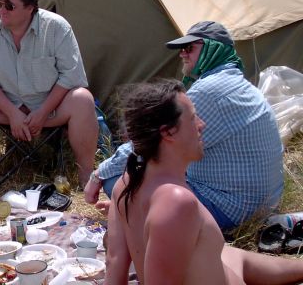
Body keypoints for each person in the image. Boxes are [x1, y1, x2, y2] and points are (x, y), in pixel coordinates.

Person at [85, 21, 283, 230]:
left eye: (189, 48)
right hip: (259, 204)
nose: (182, 54)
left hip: (232, 208)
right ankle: (138, 210)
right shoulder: (234, 83)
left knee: (117, 180)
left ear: (214, 49)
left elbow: (150, 143)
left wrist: (98, 174)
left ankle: (139, 214)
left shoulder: (209, 90)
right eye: (182, 49)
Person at [105, 80, 303, 285]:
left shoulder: (126, 184)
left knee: (231, 254)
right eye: (192, 118)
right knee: (225, 253)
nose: (202, 124)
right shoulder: (176, 202)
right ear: (168, 132)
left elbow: (114, 263)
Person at [0, 0, 99, 200]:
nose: (2, 11)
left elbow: (71, 75)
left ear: (30, 8)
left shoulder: (56, 27)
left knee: (83, 99)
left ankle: (86, 177)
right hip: (5, 109)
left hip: (48, 109)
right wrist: (12, 113)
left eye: (10, 6)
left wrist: (42, 112)